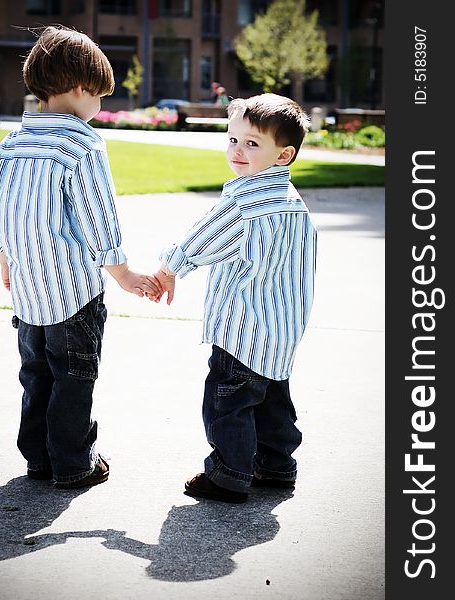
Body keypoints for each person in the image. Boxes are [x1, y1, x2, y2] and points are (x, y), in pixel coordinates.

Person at [0, 26, 161, 490]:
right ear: (81, 87)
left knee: (36, 375)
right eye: (100, 95)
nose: (99, 106)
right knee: (74, 376)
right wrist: (122, 273)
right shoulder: (82, 145)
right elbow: (98, 216)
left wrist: (4, 257)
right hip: (72, 292)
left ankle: (38, 457)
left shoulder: (9, 145)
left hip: (27, 291)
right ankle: (73, 462)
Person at [153, 93, 317, 504]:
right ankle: (277, 467)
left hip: (242, 328)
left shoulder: (245, 202)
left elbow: (201, 240)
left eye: (252, 143)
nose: (238, 150)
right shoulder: (294, 204)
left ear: (284, 155)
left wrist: (168, 269)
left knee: (229, 403)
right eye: (233, 140)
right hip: (281, 328)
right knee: (273, 401)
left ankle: (229, 473)